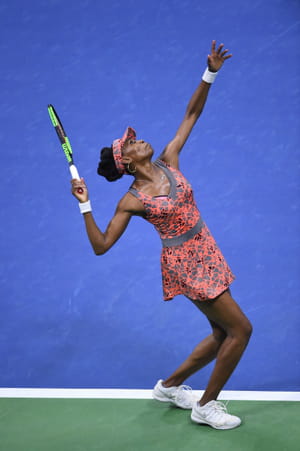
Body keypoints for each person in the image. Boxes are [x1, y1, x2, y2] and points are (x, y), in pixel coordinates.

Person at [71, 40, 252, 430]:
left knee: (223, 332)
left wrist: (211, 72)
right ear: (129, 163)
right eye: (132, 144)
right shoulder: (132, 201)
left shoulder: (170, 159)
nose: (139, 140)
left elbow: (191, 114)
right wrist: (86, 204)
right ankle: (206, 406)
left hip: (207, 247)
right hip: (186, 264)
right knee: (241, 330)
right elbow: (101, 246)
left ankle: (169, 387)